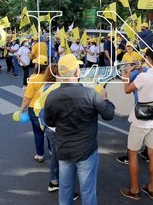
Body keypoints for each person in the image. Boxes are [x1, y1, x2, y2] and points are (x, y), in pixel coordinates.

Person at [44, 54, 115, 205]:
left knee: (65, 190)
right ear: (77, 72)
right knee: (87, 192)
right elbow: (108, 114)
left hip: (64, 149)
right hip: (86, 151)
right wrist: (105, 98)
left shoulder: (52, 96)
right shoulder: (90, 94)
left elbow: (49, 122)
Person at [119, 48, 153, 201]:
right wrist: (140, 69)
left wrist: (126, 74)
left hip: (140, 119)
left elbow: (127, 89)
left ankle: (134, 190)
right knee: (152, 154)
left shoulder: (144, 77)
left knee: (132, 153)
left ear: (148, 57)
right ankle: (151, 188)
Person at [19, 55, 48, 162]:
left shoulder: (33, 78)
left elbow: (27, 97)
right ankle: (51, 150)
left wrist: (21, 109)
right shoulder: (51, 77)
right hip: (49, 107)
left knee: (38, 132)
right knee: (49, 130)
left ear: (37, 66)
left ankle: (40, 154)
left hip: (35, 108)